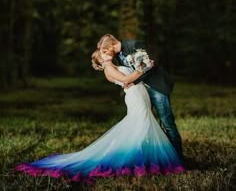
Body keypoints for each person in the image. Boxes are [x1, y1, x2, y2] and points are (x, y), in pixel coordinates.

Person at [15, 50, 184, 183]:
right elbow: (126, 80)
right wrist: (144, 68)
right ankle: (138, 160)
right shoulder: (109, 68)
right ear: (100, 60)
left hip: (140, 93)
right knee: (141, 122)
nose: (107, 53)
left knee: (146, 123)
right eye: (103, 53)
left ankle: (146, 157)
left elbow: (133, 76)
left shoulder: (115, 64)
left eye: (106, 51)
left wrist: (142, 65)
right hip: (134, 96)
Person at [97, 34, 183, 158]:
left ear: (111, 45)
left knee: (167, 122)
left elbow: (149, 66)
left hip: (156, 86)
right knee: (149, 123)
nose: (105, 54)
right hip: (141, 92)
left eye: (105, 50)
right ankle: (158, 156)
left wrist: (132, 81)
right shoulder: (116, 57)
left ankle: (177, 157)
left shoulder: (134, 45)